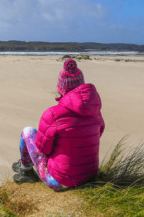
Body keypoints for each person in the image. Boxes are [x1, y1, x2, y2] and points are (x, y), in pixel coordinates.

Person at [13, 58, 105, 191]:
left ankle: (25, 170)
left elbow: (43, 149)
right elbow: (99, 133)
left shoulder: (53, 114)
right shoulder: (96, 112)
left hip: (61, 181)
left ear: (61, 87)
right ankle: (24, 167)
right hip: (90, 175)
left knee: (27, 131)